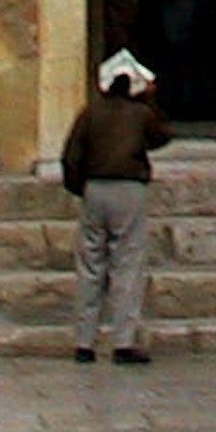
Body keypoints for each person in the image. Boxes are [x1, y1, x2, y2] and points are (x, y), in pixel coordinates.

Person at [59, 61, 172, 366]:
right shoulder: (140, 114)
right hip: (129, 188)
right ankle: (123, 341)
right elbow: (162, 136)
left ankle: (84, 341)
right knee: (127, 263)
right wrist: (150, 99)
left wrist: (80, 188)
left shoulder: (90, 113)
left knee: (91, 265)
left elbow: (70, 156)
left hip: (95, 187)